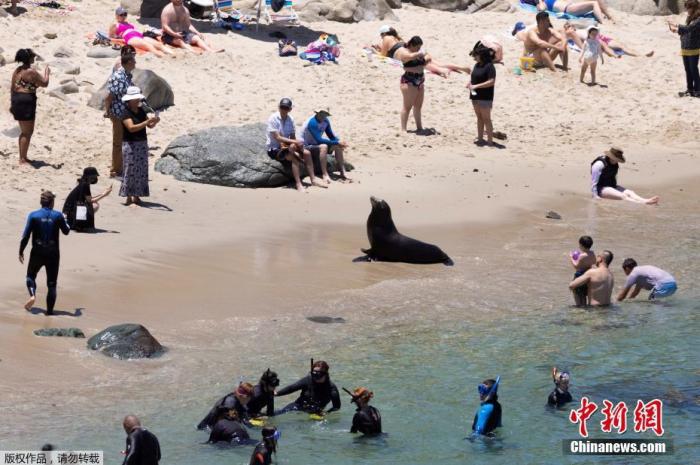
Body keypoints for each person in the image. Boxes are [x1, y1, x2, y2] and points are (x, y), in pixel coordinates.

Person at [19, 191, 70, 314]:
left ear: (41, 202)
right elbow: (66, 231)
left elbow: (25, 236)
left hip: (37, 251)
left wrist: (21, 251)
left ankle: (32, 295)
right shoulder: (58, 215)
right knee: (52, 284)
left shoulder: (33, 215)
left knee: (31, 276)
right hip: (53, 254)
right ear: (52, 202)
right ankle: (49, 312)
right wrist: (66, 219)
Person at [267, 98, 325, 191]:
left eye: (286, 108)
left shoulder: (290, 119)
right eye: (282, 107)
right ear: (279, 107)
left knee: (307, 153)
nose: (284, 109)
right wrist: (294, 143)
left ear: (290, 109)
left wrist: (295, 145)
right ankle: (298, 184)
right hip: (274, 148)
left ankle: (313, 179)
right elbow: (277, 137)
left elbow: (292, 136)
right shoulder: (273, 118)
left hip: (286, 145)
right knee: (295, 157)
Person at [372, 25, 470, 77]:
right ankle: (461, 67)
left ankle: (441, 71)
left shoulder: (386, 38)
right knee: (434, 62)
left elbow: (383, 55)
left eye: (381, 35)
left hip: (401, 54)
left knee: (423, 64)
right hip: (406, 49)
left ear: (384, 33)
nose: (381, 37)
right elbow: (389, 48)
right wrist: (379, 47)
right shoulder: (396, 38)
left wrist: (374, 51)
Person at [10, 49, 50, 165]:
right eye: (33, 56)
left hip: (17, 99)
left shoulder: (17, 70)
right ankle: (22, 159)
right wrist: (47, 72)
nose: (34, 58)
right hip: (26, 101)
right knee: (27, 132)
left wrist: (12, 103)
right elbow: (45, 83)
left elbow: (12, 87)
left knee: (24, 131)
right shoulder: (31, 71)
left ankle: (23, 157)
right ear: (29, 58)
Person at [120, 86, 159, 206]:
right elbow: (131, 128)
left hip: (141, 143)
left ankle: (136, 196)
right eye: (136, 99)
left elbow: (149, 126)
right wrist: (147, 122)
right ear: (130, 100)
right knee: (129, 169)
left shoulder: (141, 111)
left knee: (141, 170)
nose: (138, 101)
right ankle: (128, 196)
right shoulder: (125, 112)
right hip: (130, 144)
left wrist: (154, 121)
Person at [590, 147, 659, 205]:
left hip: (611, 186)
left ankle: (645, 200)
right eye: (616, 159)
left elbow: (613, 177)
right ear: (611, 157)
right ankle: (643, 204)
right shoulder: (599, 164)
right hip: (601, 188)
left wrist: (615, 188)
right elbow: (594, 183)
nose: (617, 161)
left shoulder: (615, 164)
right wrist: (596, 197)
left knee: (630, 192)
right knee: (623, 196)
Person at [105, 54, 136, 178]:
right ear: (128, 62)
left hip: (125, 113)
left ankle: (121, 167)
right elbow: (109, 97)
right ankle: (115, 171)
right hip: (118, 113)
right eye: (134, 61)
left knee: (125, 141)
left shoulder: (127, 75)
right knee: (118, 142)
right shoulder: (119, 77)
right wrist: (107, 111)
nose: (135, 63)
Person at [301, 109, 350, 183]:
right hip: (307, 146)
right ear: (317, 113)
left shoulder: (326, 121)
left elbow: (331, 136)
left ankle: (342, 171)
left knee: (337, 144)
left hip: (317, 144)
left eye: (326, 114)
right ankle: (325, 174)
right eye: (322, 113)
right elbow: (319, 140)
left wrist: (339, 142)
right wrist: (336, 142)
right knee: (324, 146)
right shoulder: (312, 122)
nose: (324, 116)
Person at [275, 360, 341, 414]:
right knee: (277, 413)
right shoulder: (308, 380)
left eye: (318, 374)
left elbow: (337, 407)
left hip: (315, 412)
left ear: (325, 374)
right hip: (298, 406)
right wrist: (276, 394)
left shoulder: (331, 389)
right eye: (313, 374)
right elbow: (291, 388)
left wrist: (326, 413)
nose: (315, 377)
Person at [465, 43, 497, 147]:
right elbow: (474, 77)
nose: (474, 57)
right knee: (479, 117)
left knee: (486, 118)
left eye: (476, 55)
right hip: (475, 95)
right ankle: (480, 138)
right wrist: (470, 83)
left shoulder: (490, 66)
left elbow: (491, 81)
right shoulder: (477, 65)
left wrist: (476, 86)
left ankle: (490, 142)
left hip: (485, 96)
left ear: (482, 55)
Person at [395, 36, 430, 133]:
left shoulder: (417, 53)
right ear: (412, 45)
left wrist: (422, 57)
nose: (419, 49)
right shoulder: (404, 52)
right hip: (409, 80)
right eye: (417, 47)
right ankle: (403, 129)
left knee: (418, 106)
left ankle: (419, 127)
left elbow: (429, 57)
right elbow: (408, 58)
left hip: (420, 79)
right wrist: (420, 54)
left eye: (420, 47)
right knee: (407, 107)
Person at [62, 167, 112, 232]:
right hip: (71, 214)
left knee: (93, 204)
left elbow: (88, 198)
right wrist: (104, 195)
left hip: (69, 212)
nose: (94, 178)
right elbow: (90, 201)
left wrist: (102, 193)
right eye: (93, 176)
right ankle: (80, 224)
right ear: (88, 176)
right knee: (94, 205)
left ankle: (78, 222)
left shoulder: (83, 183)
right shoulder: (85, 185)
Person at [563, 22, 654, 57]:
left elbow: (593, 25)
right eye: (566, 27)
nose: (569, 28)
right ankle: (614, 55)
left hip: (602, 37)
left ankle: (641, 54)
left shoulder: (579, 29)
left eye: (570, 26)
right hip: (594, 40)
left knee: (621, 46)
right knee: (605, 46)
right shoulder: (572, 34)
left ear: (573, 26)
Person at [667, 0, 700, 97]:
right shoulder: (690, 17)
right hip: (685, 46)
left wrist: (676, 24)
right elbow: (687, 30)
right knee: (687, 70)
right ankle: (690, 89)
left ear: (693, 8)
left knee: (693, 69)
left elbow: (689, 29)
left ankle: (698, 90)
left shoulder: (698, 19)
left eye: (688, 8)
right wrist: (676, 31)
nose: (687, 10)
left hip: (693, 48)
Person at [532, 0, 614, 23]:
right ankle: (602, 21)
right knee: (594, 3)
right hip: (569, 9)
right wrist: (539, 1)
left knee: (597, 1)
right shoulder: (544, 3)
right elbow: (541, 9)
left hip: (572, 6)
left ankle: (609, 16)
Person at [569, 235, 596, 307]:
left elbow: (576, 266)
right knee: (583, 294)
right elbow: (593, 262)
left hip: (580, 275)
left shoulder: (582, 256)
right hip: (588, 275)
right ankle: (584, 307)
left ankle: (579, 308)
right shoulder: (592, 253)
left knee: (577, 293)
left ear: (581, 245)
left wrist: (571, 258)